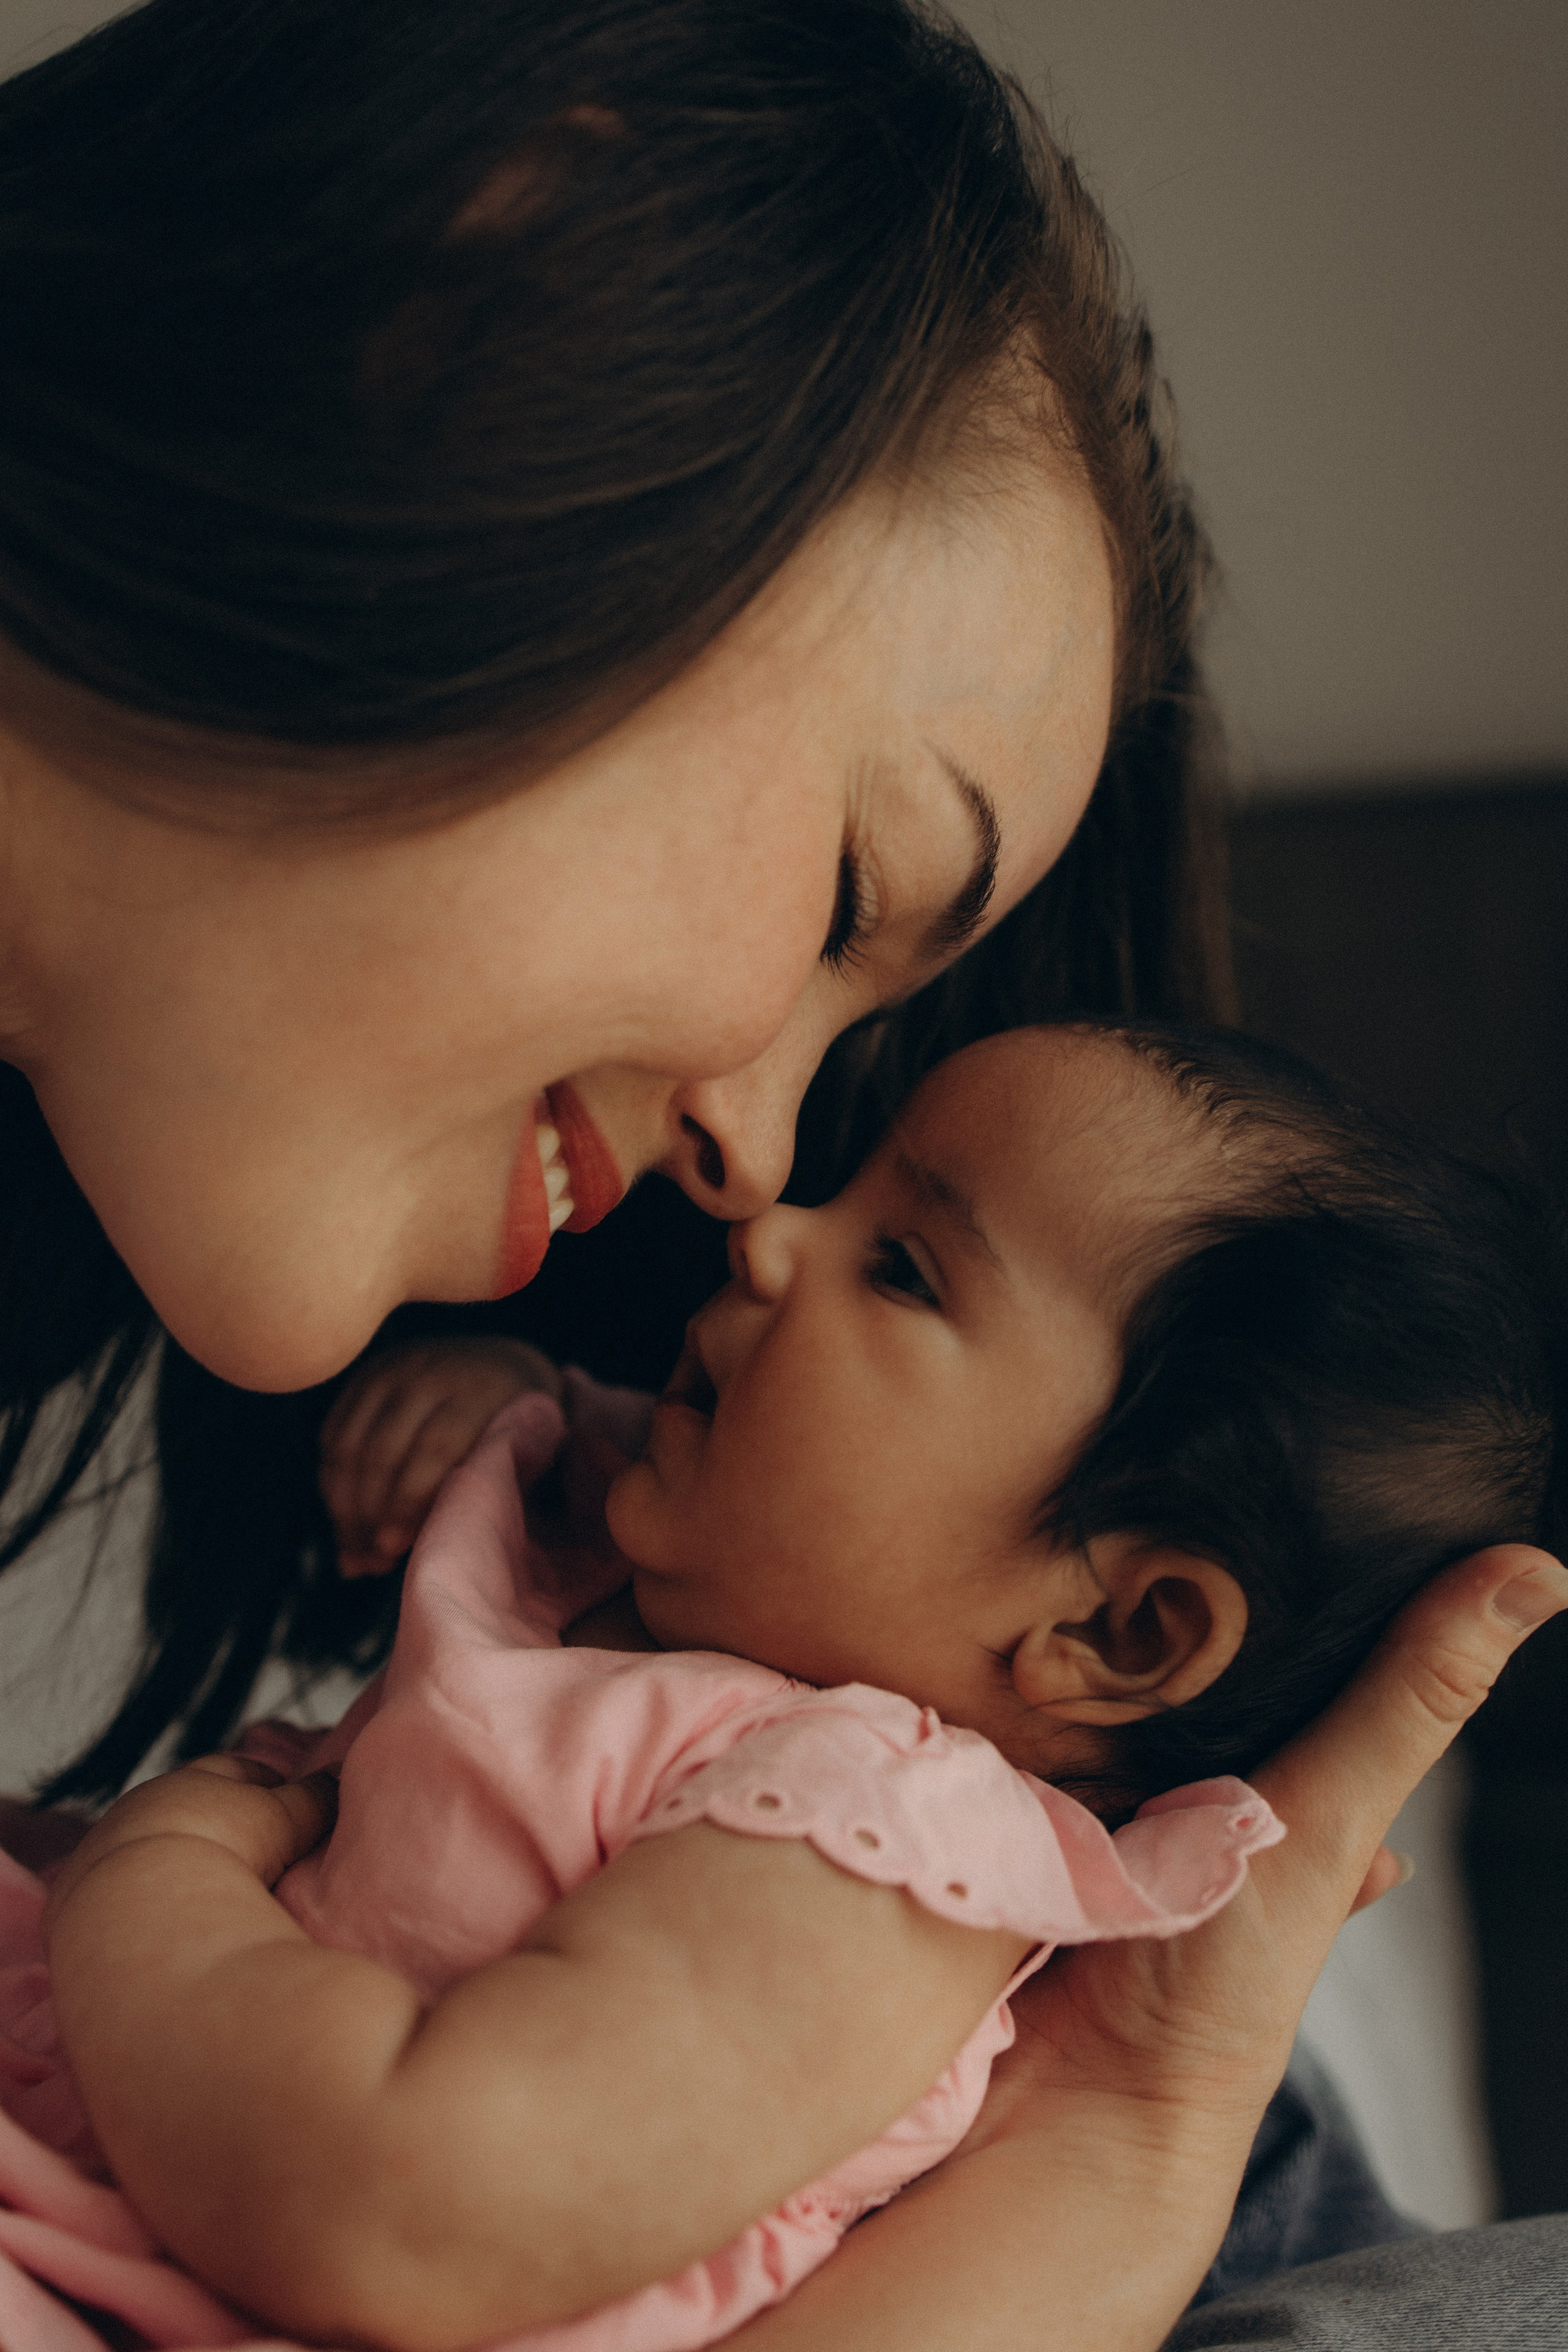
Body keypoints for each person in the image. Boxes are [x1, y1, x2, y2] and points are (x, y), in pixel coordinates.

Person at [0, 3, 1562, 2345]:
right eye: (856, 891)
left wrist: (1146, 2132)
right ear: (473, 320)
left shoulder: (854, 1823)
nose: (748, 1164)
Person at [1, 1022, 1563, 2351]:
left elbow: (389, 2204)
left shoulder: (857, 1845)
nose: (767, 1225)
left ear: (1118, 1632)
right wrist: (505, 1404)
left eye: (900, 1267)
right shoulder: (701, 1614)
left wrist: (154, 1866)